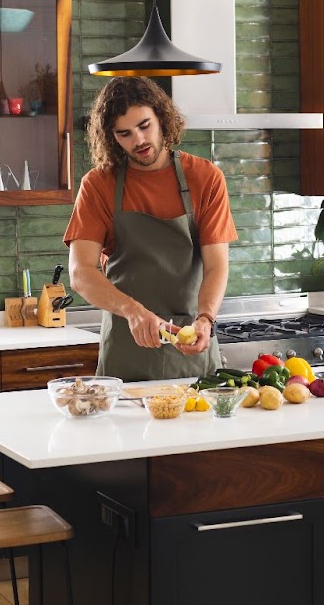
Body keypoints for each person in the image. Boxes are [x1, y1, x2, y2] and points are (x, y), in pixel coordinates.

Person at [64, 76, 235, 381]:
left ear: (162, 117)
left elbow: (216, 265)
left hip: (191, 347)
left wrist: (206, 318)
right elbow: (81, 274)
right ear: (111, 138)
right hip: (127, 349)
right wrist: (133, 311)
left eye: (145, 126)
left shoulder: (205, 177)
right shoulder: (99, 184)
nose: (139, 141)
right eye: (125, 134)